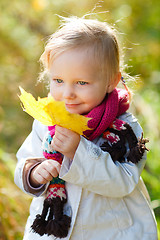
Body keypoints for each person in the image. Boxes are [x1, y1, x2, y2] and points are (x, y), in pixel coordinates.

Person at [14, 16, 157, 240]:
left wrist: (77, 152)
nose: (67, 93)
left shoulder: (125, 129)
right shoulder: (47, 120)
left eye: (81, 83)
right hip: (55, 233)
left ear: (111, 80)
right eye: (59, 80)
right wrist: (33, 173)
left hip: (113, 233)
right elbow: (25, 161)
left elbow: (123, 182)